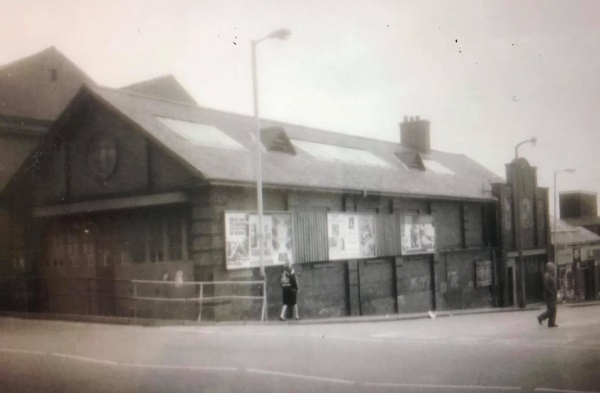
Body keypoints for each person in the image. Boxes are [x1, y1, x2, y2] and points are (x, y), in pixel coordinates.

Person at [537, 261, 558, 328]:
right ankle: (541, 317)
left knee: (553, 309)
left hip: (552, 295)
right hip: (550, 295)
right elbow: (546, 286)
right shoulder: (547, 275)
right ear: (549, 268)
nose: (553, 268)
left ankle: (551, 322)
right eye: (552, 267)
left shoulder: (550, 275)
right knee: (551, 309)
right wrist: (552, 292)